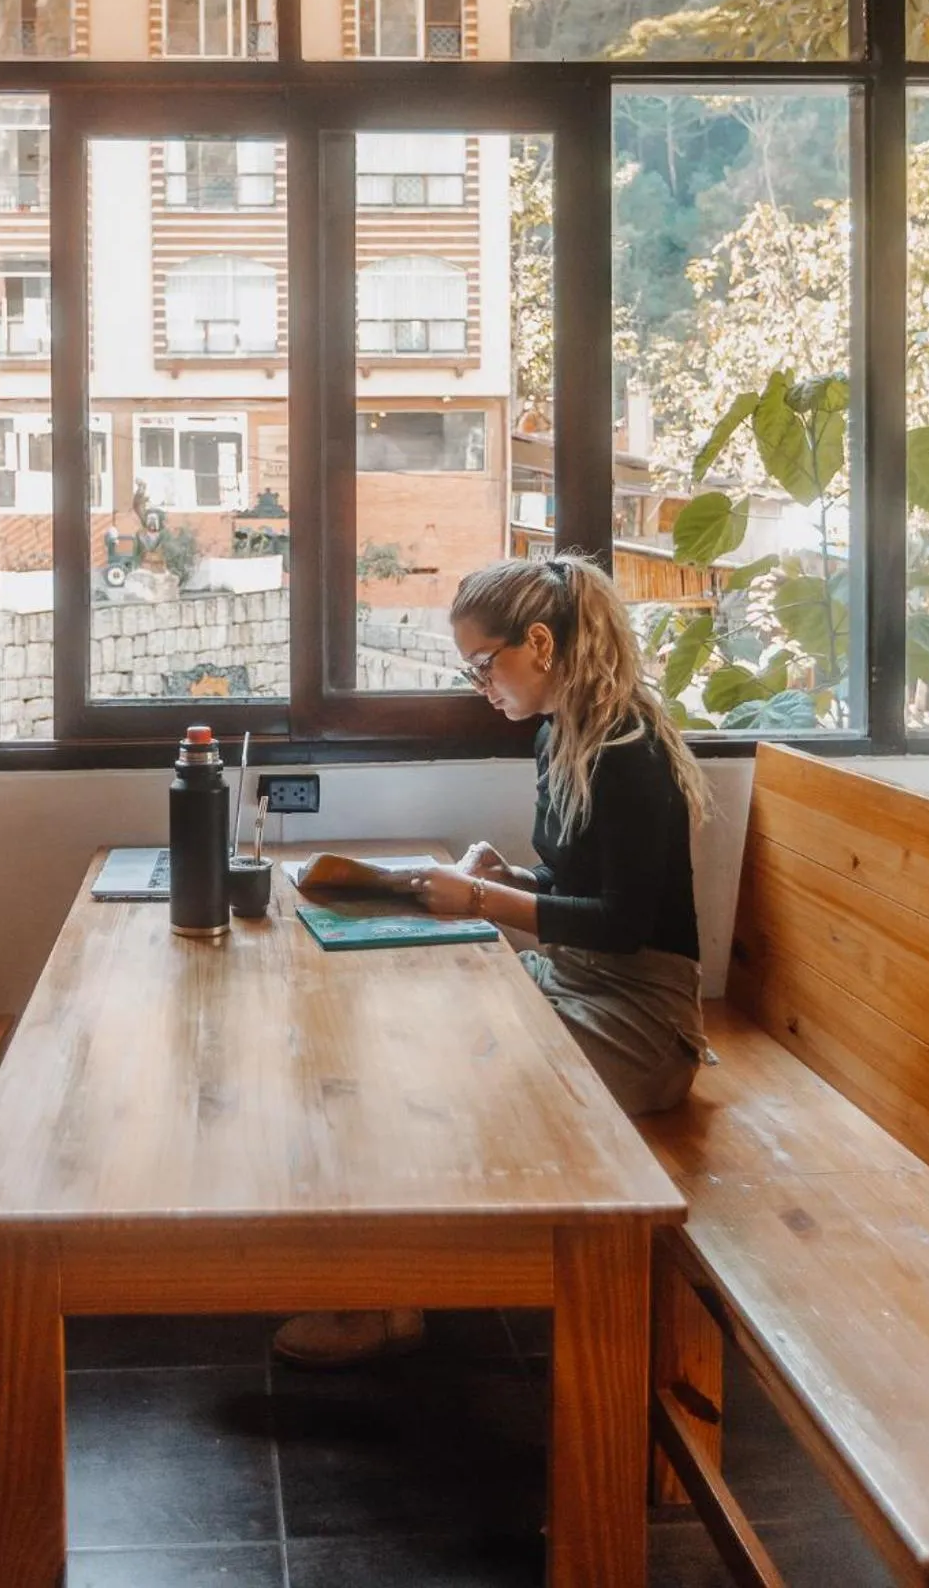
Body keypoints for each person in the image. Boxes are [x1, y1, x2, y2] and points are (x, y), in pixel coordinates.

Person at [273, 551, 712, 1370]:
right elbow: (579, 882)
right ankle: (387, 1287)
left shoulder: (629, 749)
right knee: (407, 1041)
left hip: (641, 1022)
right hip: (577, 980)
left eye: (484, 664)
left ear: (539, 644)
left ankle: (393, 1298)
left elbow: (622, 924)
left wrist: (480, 902)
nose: (481, 687)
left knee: (443, 1083)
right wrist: (509, 876)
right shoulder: (561, 735)